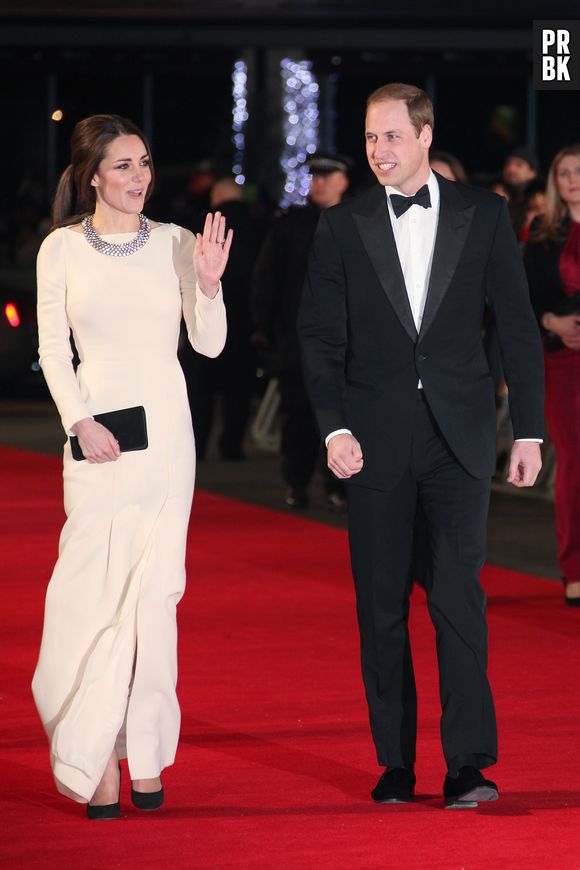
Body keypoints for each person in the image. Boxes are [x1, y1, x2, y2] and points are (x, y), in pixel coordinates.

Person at [298, 83, 544, 808]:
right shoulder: (342, 226)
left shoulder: (484, 214)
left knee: (458, 601)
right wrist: (334, 427)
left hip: (459, 438)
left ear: (426, 135)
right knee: (381, 608)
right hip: (373, 443)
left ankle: (468, 762)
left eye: (393, 136)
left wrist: (528, 430)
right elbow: (319, 338)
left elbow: (518, 326)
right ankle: (395, 763)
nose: (379, 151)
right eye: (371, 138)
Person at [31, 114, 229, 819]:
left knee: (155, 596)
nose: (139, 176)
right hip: (96, 436)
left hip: (167, 435)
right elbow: (53, 350)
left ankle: (142, 754)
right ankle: (90, 749)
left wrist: (208, 285)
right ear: (92, 176)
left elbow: (208, 346)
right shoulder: (60, 248)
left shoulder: (177, 242)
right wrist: (78, 421)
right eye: (123, 165)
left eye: (144, 162)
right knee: (89, 592)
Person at [252, 152, 351, 510]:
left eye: (327, 175)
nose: (319, 182)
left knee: (345, 416)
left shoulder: (359, 222)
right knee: (298, 417)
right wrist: (263, 328)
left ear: (344, 181)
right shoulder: (290, 225)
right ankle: (296, 483)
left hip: (347, 343)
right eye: (315, 176)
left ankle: (339, 485)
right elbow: (267, 278)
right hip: (297, 343)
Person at [524, 144, 580, 607]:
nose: (573, 179)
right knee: (574, 462)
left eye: (579, 171)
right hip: (562, 361)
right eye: (564, 172)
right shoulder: (542, 234)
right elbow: (522, 300)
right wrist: (553, 322)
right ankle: (575, 569)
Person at [179, 177, 267, 460]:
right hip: (244, 323)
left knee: (200, 390)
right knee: (237, 391)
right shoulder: (259, 225)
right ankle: (231, 447)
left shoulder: (200, 225)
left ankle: (198, 446)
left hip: (203, 314)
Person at [502, 146, 540, 235]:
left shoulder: (539, 201)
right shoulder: (493, 192)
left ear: (532, 173)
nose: (511, 168)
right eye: (508, 164)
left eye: (519, 165)